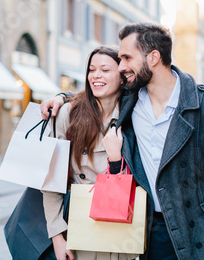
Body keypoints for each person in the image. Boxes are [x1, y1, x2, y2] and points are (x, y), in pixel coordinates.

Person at [42, 23, 204, 260]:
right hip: (152, 230)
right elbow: (96, 91)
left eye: (127, 58)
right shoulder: (131, 101)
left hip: (200, 232)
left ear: (153, 57)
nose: (121, 67)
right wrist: (60, 98)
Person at [43, 46, 135, 260]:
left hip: (121, 227)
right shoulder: (69, 114)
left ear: (122, 77)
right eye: (92, 70)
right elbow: (51, 181)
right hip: (78, 227)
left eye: (105, 69)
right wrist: (57, 236)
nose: (96, 75)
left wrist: (115, 159)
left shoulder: (134, 114)